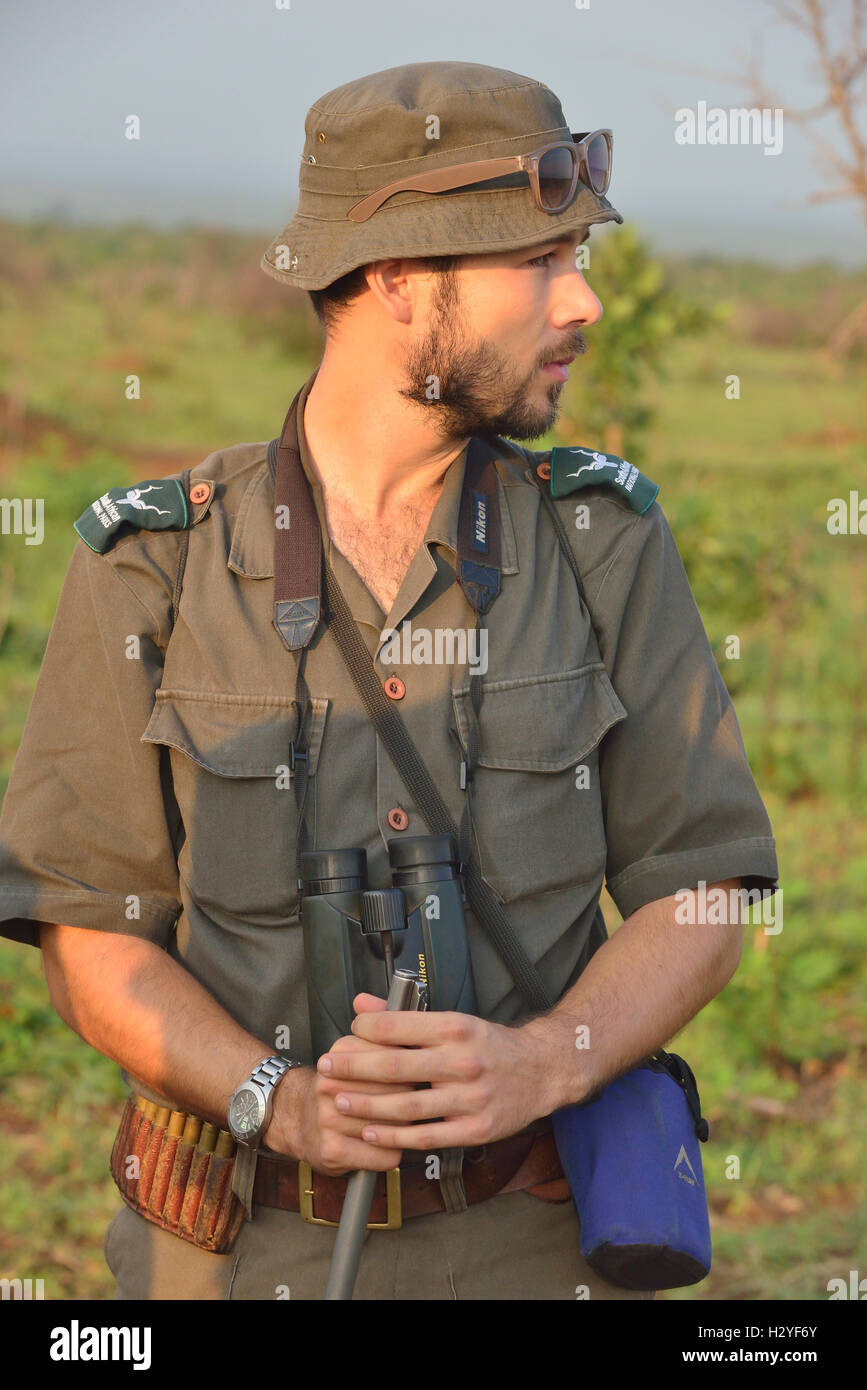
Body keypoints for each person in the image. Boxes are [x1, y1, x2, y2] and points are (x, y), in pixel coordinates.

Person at [0, 60, 778, 1301]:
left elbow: (707, 883)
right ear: (401, 279)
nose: (581, 301)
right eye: (539, 261)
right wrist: (280, 1100)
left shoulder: (603, 546)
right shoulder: (154, 567)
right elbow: (92, 926)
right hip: (233, 1250)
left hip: (532, 1243)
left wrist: (543, 1063)